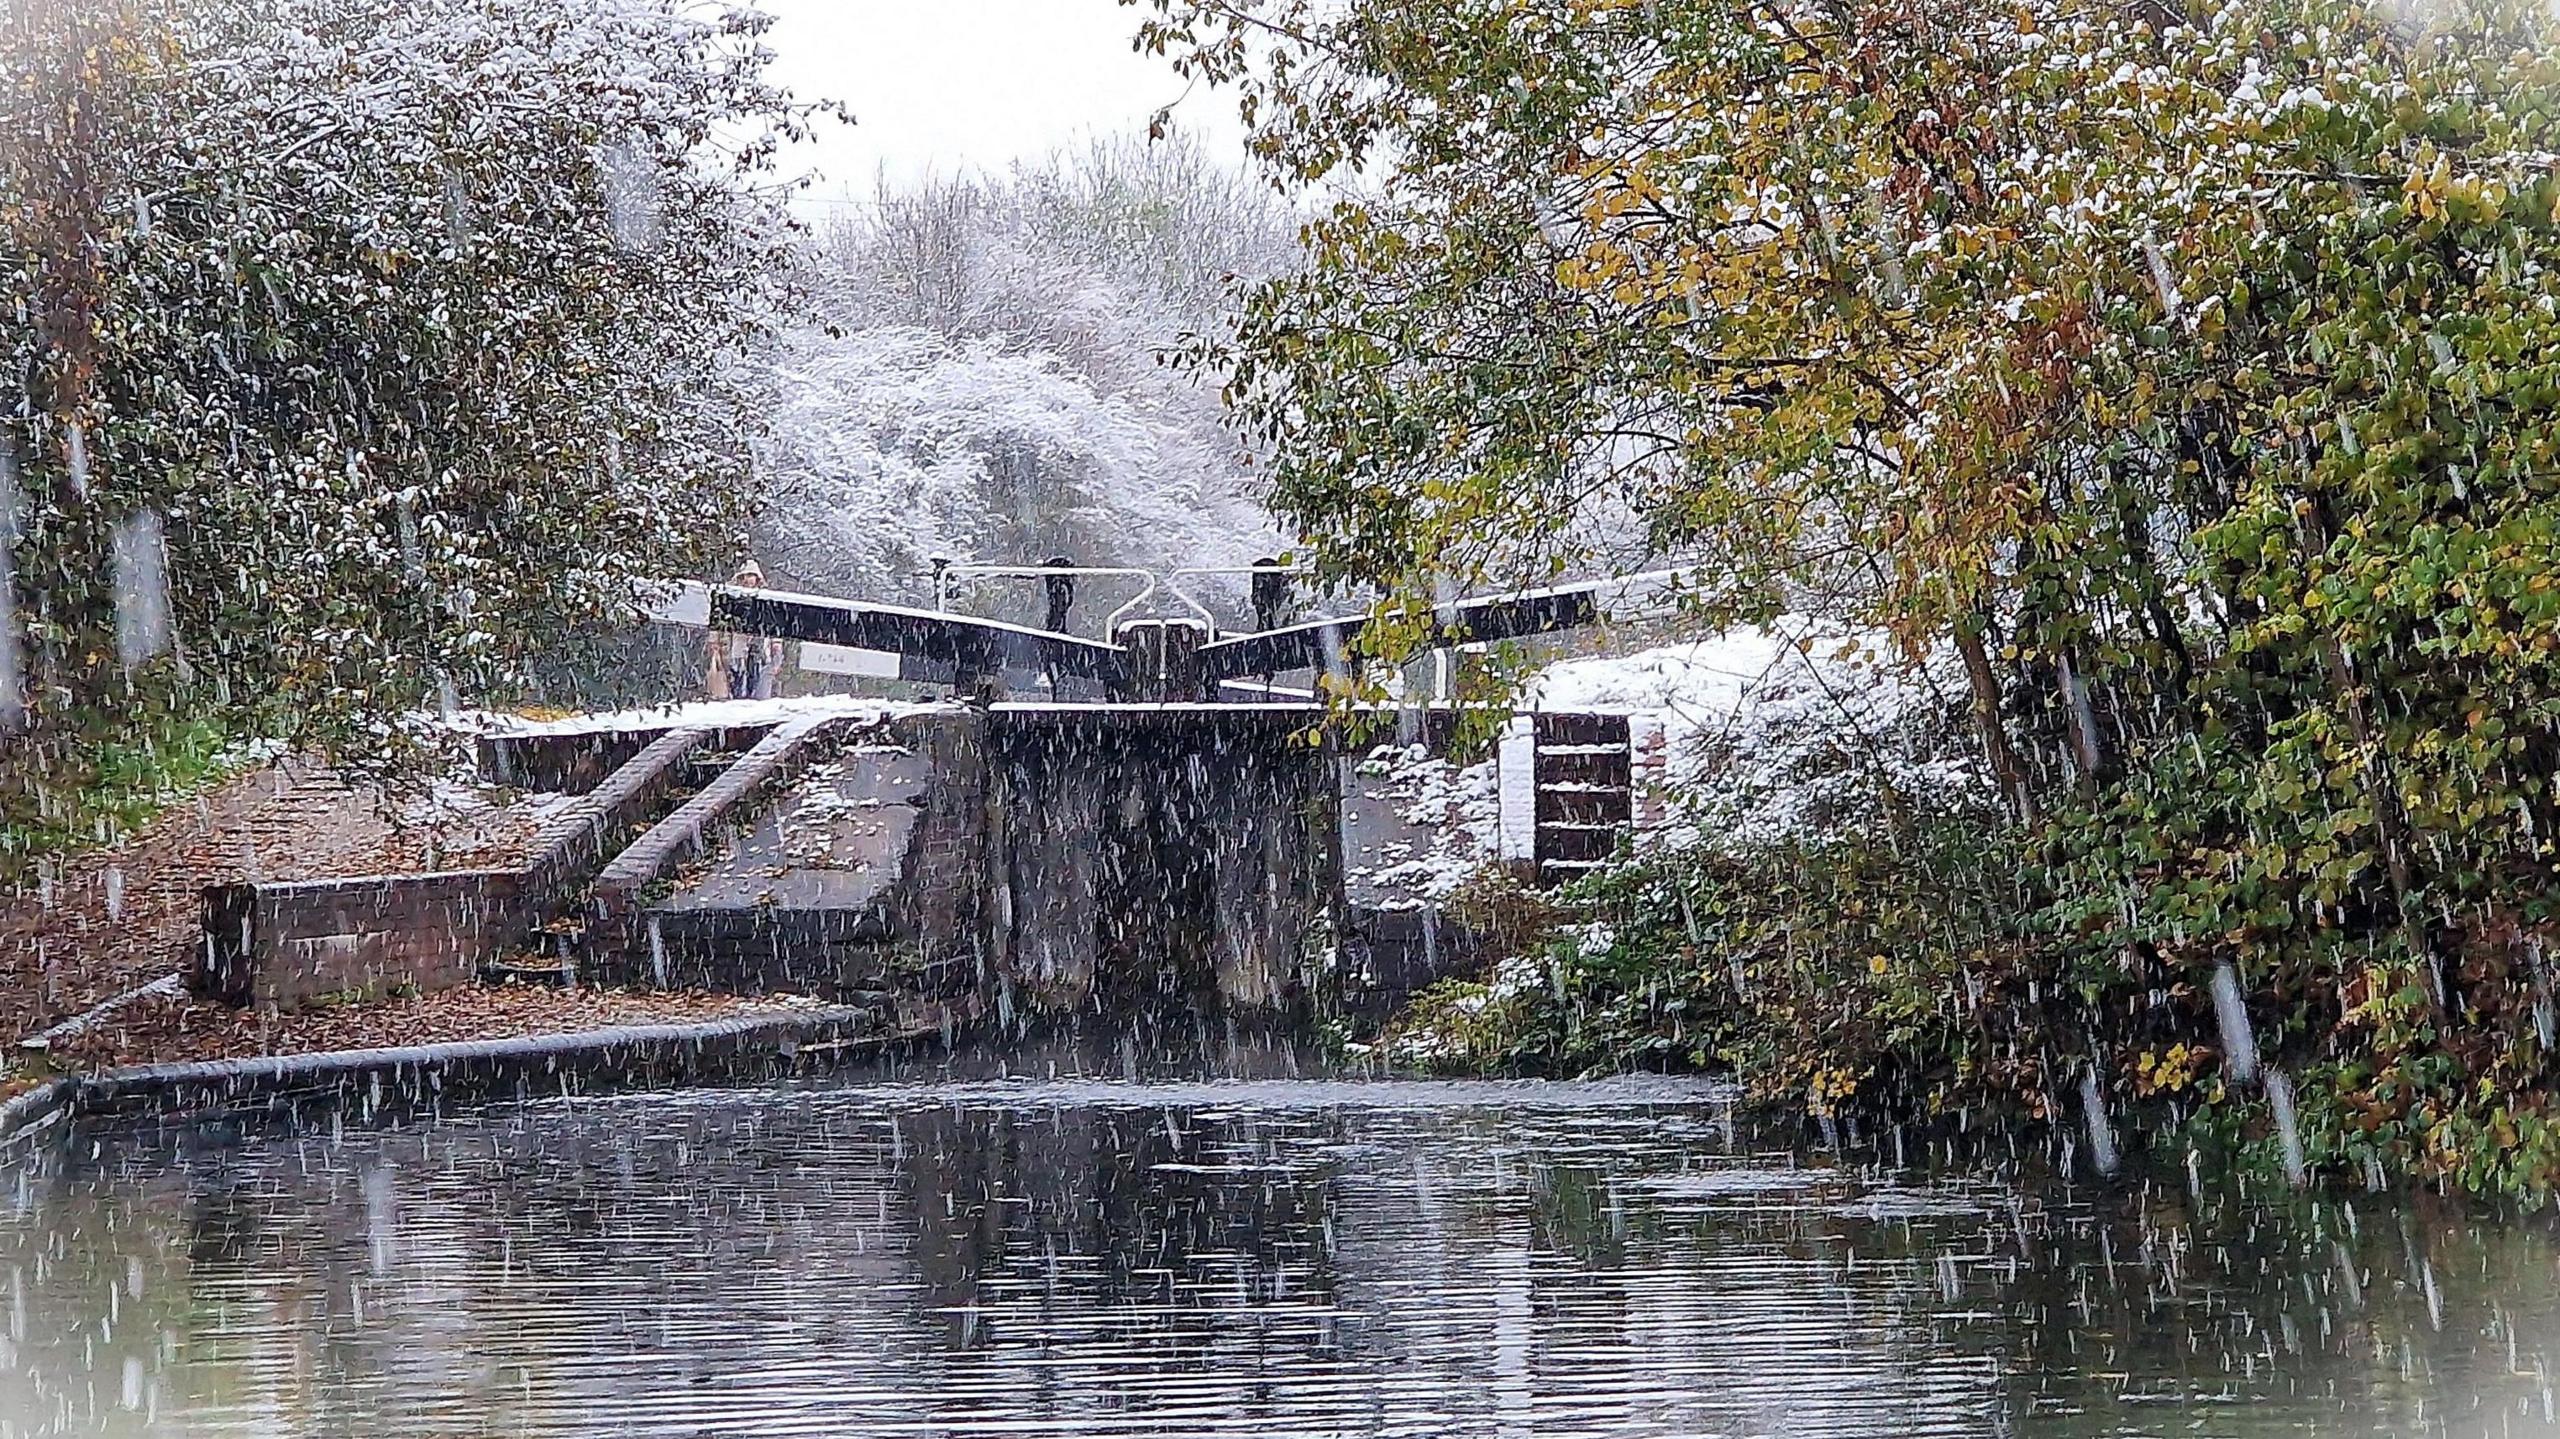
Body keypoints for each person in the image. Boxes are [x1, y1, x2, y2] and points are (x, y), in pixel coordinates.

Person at [704, 562, 783, 700]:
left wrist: (776, 644)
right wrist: (714, 640)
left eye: (751, 575)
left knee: (758, 684)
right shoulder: (731, 597)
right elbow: (717, 619)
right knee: (737, 682)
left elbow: (774, 624)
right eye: (744, 576)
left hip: (759, 648)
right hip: (736, 648)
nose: (747, 579)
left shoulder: (765, 599)